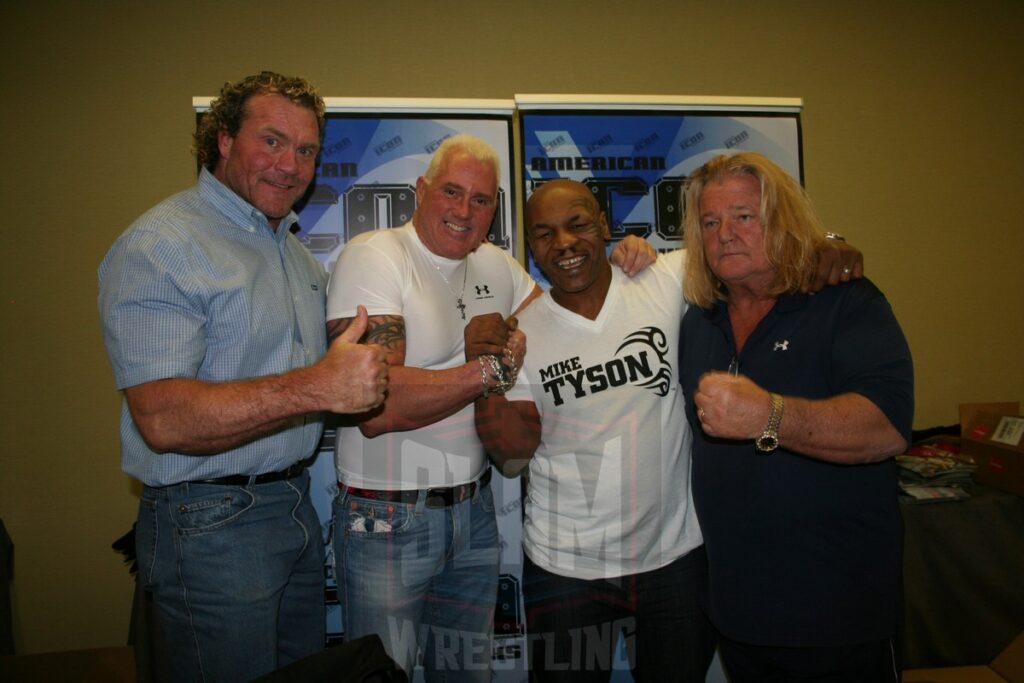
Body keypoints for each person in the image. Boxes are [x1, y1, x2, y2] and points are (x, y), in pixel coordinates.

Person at [473, 179, 864, 682]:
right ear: (530, 246)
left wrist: (826, 244)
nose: (564, 243)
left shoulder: (664, 278)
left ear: (605, 226)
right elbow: (511, 457)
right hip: (565, 565)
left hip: (674, 558)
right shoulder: (523, 333)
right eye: (545, 234)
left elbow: (748, 252)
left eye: (578, 224)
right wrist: (488, 372)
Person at [325, 136, 654, 681]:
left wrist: (625, 261)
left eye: (480, 200)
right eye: (451, 192)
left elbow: (566, 313)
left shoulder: (497, 267)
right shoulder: (378, 256)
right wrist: (486, 371)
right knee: (381, 675)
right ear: (422, 191)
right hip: (387, 519)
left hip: (473, 512)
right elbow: (374, 407)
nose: (463, 211)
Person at [98, 71, 389, 682]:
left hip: (292, 503)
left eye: (306, 150)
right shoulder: (162, 245)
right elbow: (164, 418)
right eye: (272, 141)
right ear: (222, 139)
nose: (291, 165)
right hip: (210, 522)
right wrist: (319, 386)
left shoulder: (292, 251)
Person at [678, 152, 913, 682]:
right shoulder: (700, 318)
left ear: (781, 220)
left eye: (744, 216)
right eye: (711, 223)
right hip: (737, 611)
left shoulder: (843, 299)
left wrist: (769, 415)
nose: (725, 234)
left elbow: (887, 427)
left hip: (836, 613)